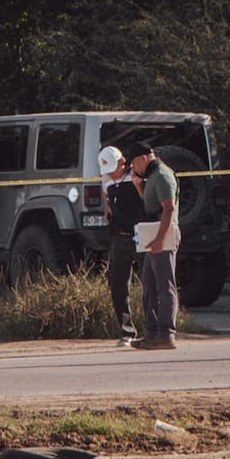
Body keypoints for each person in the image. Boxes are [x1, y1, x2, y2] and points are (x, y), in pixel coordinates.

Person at [126, 141, 180, 350]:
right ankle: (153, 332)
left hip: (163, 235)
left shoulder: (163, 176)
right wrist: (139, 185)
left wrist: (159, 240)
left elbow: (168, 209)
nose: (133, 168)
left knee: (165, 286)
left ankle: (166, 333)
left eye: (134, 163)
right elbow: (151, 205)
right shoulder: (152, 177)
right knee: (149, 283)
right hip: (154, 234)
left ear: (143, 158)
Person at [97, 145, 145, 346]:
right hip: (119, 236)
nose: (110, 174)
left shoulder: (136, 176)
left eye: (113, 169)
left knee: (149, 282)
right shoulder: (107, 179)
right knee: (118, 284)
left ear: (123, 163)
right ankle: (127, 331)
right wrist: (108, 207)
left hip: (140, 235)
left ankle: (154, 328)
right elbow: (107, 197)